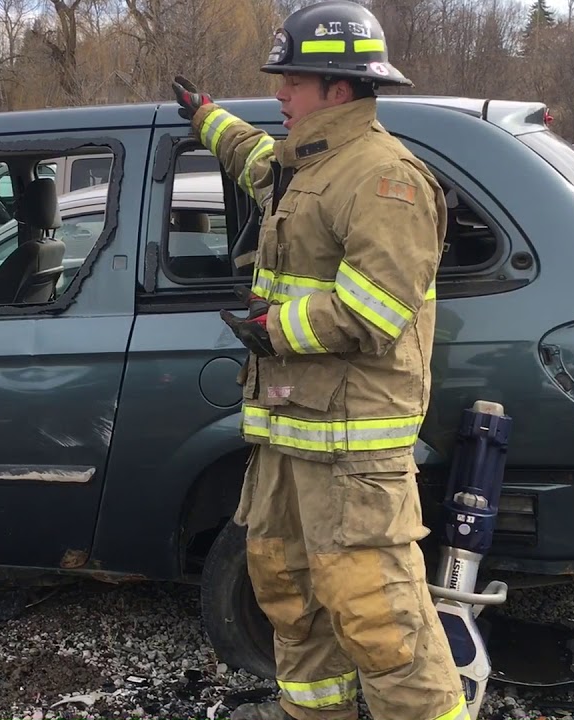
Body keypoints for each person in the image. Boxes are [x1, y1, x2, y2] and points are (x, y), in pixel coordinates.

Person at [171, 3, 468, 720]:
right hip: (290, 432)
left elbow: (376, 310)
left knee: (377, 616)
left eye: (292, 82)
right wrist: (206, 117)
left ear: (338, 89)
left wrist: (273, 329)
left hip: (351, 450)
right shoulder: (307, 162)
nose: (279, 94)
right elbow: (254, 159)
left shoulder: (385, 179)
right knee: (288, 593)